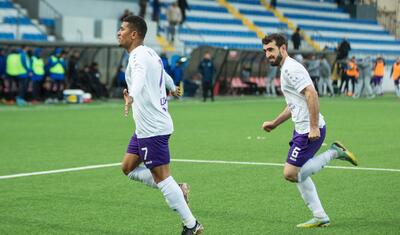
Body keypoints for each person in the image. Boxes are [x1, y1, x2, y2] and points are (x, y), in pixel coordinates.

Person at [261, 33, 358, 228]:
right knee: (297, 173)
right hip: (301, 130)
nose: (267, 54)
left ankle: (334, 152)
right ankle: (320, 216)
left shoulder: (290, 68)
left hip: (309, 131)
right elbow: (294, 104)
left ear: (283, 48)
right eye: (265, 51)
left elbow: (311, 93)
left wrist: (313, 126)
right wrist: (275, 122)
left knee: (290, 173)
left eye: (271, 49)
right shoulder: (285, 68)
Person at [117, 15, 203, 235]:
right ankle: (179, 188)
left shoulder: (137, 57)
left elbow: (138, 78)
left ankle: (191, 225)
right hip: (145, 128)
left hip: (152, 129)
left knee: (162, 178)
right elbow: (164, 75)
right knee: (128, 168)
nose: (119, 33)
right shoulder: (151, 53)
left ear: (134, 34)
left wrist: (131, 97)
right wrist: (174, 88)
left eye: (122, 29)